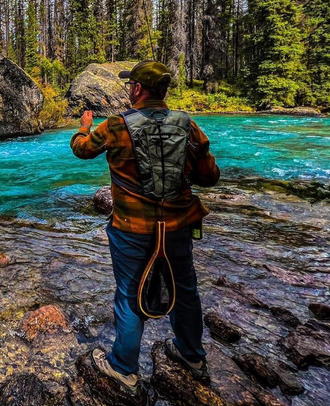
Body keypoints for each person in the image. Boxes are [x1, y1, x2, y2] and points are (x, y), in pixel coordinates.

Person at [70, 60, 220, 394]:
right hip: (179, 225)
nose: (129, 89)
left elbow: (82, 150)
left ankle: (124, 368)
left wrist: (84, 126)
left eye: (130, 85)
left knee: (128, 294)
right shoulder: (188, 125)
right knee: (186, 289)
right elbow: (210, 176)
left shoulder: (116, 126)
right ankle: (192, 357)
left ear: (138, 89)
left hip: (131, 229)